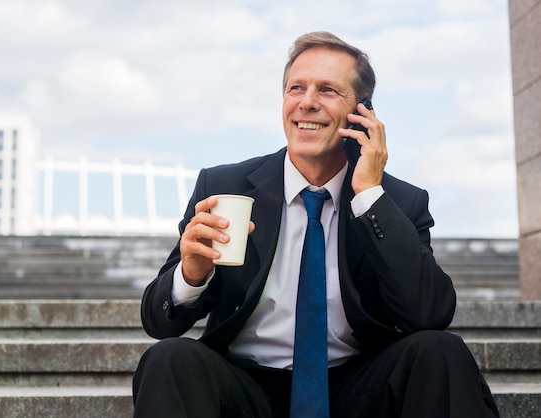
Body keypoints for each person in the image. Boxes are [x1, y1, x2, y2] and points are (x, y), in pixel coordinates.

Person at [132, 31, 500, 418]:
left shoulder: (398, 203)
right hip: (245, 390)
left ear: (362, 111)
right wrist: (190, 276)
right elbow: (159, 322)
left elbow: (431, 315)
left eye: (327, 90)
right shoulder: (224, 189)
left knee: (440, 351)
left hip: (357, 390)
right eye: (296, 88)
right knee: (170, 357)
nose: (306, 103)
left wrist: (369, 195)